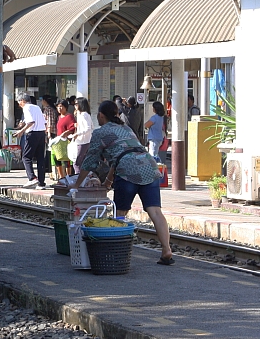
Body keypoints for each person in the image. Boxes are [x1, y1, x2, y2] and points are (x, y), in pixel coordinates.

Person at [67, 100, 174, 265]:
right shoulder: (126, 129)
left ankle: (117, 253)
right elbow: (122, 155)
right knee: (155, 212)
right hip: (149, 166)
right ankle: (166, 250)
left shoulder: (100, 132)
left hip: (128, 169)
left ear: (101, 115)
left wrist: (76, 184)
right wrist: (108, 183)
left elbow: (90, 162)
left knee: (120, 214)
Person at [16, 94, 48, 189]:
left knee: (26, 157)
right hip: (41, 133)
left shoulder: (26, 108)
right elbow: (42, 121)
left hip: (32, 134)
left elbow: (31, 122)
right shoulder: (36, 107)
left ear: (22, 100)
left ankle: (32, 177)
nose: (19, 105)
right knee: (40, 158)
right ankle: (41, 183)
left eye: (19, 103)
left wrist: (21, 131)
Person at [54, 99, 77, 179]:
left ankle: (68, 177)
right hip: (59, 141)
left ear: (65, 107)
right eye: (58, 107)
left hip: (67, 141)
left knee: (66, 160)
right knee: (56, 158)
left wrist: (66, 133)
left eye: (61, 106)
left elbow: (72, 128)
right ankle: (61, 177)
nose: (59, 108)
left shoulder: (69, 116)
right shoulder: (59, 117)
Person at [70, 97, 94, 172]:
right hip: (85, 141)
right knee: (82, 163)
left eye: (76, 104)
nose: (75, 106)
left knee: (76, 164)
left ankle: (78, 180)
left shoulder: (84, 114)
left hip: (83, 141)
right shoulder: (84, 114)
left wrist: (78, 133)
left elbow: (88, 128)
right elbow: (91, 126)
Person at [41, 95, 58, 182]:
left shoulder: (48, 109)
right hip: (51, 132)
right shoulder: (52, 109)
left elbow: (50, 122)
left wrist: (48, 133)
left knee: (50, 152)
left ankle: (52, 171)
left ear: (44, 100)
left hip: (51, 133)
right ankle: (51, 171)